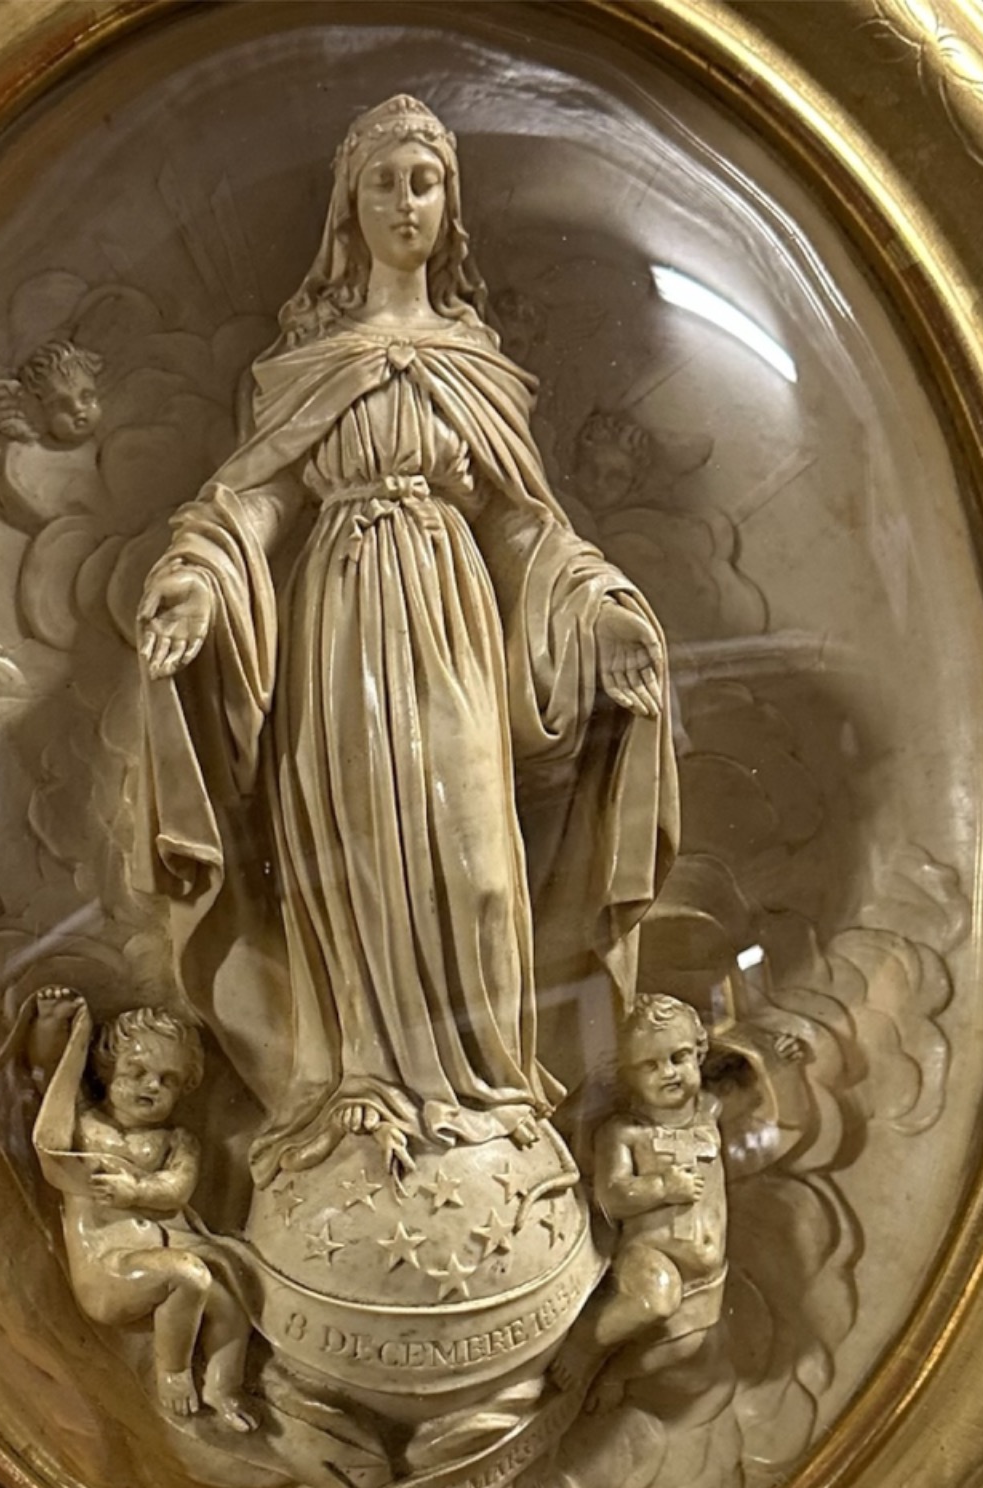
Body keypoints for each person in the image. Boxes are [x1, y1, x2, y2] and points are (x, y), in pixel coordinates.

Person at [130, 96, 679, 1183]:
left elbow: (522, 525)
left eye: (424, 182)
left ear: (450, 205)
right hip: (340, 632)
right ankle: (360, 1087)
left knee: (479, 866)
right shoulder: (312, 364)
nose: (404, 203)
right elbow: (256, 500)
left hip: (453, 621)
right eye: (383, 182)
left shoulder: (476, 364)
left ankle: (490, 1098)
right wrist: (198, 580)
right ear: (350, 205)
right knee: (356, 863)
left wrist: (600, 605)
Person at [25, 989, 255, 1431]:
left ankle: (224, 1390)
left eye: (168, 1080)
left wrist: (135, 1190)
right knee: (187, 1276)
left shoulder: (177, 1142)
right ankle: (173, 1373)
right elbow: (51, 1074)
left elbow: (176, 1188)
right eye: (138, 1072)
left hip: (158, 1258)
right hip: (106, 1270)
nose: (152, 1086)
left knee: (230, 1309)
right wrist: (51, 1024)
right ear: (107, 1069)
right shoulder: (84, 1125)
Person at [589, 994, 728, 1350]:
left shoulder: (710, 1113)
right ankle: (584, 1347)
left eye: (678, 1057)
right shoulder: (624, 1133)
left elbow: (751, 1090)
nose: (668, 1072)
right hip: (647, 1257)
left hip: (709, 1277)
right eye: (649, 1066)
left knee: (680, 1353)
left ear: (699, 1053)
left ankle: (613, 1370)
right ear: (627, 1075)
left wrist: (782, 1052)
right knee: (655, 1300)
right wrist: (663, 1186)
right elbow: (610, 1196)